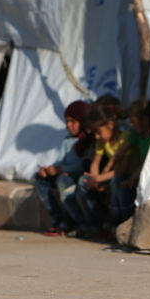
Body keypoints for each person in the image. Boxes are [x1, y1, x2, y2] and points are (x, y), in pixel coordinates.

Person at [32, 100, 92, 236]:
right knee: (38, 179)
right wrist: (48, 170)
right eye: (67, 122)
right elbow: (61, 161)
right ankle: (58, 218)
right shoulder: (67, 140)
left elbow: (82, 165)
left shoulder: (86, 140)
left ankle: (78, 222)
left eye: (73, 121)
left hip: (75, 176)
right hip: (64, 174)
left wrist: (61, 170)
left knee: (62, 181)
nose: (69, 125)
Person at [74, 101, 128, 237]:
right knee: (83, 182)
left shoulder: (125, 138)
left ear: (110, 125)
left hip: (123, 177)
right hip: (106, 177)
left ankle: (117, 224)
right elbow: (95, 163)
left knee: (116, 183)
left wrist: (98, 179)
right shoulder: (101, 142)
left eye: (99, 132)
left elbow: (121, 170)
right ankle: (95, 225)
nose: (97, 137)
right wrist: (94, 179)